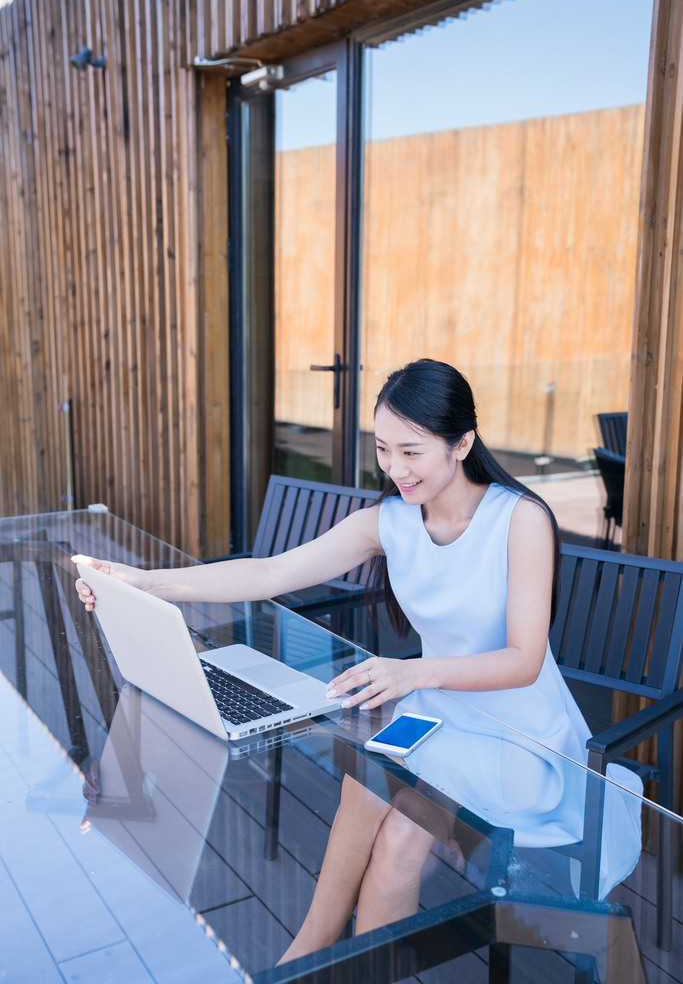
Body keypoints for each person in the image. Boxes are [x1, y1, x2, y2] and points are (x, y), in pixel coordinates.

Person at [73, 358, 642, 962]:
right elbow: (269, 573)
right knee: (375, 798)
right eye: (383, 449)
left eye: (412, 451)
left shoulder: (519, 519)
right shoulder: (390, 521)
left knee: (390, 813)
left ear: (463, 444)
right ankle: (315, 952)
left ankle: (314, 956)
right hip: (439, 716)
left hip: (520, 738)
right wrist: (145, 582)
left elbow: (524, 661)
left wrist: (413, 673)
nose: (395, 469)